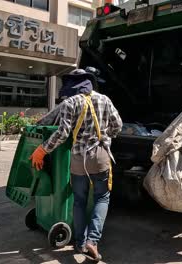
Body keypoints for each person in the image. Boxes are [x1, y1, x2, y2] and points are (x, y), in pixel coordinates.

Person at [29, 68, 123, 261]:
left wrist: (42, 150)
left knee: (79, 201)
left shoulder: (70, 103)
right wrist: (105, 137)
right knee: (101, 198)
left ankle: (80, 243)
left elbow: (62, 134)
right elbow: (118, 126)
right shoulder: (105, 99)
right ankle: (93, 241)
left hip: (79, 159)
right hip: (101, 158)